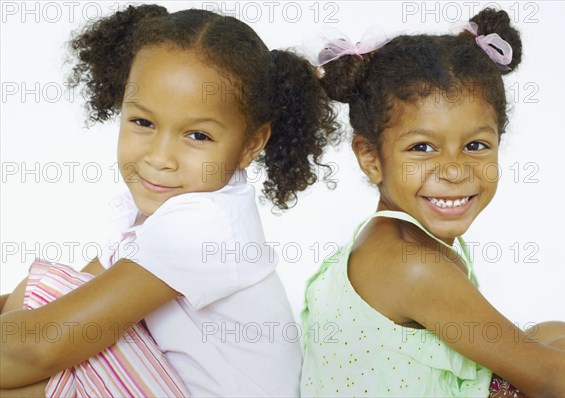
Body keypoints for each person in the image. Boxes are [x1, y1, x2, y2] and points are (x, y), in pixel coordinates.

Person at [0, 4, 338, 397]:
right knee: (41, 293)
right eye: (143, 123)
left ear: (251, 144)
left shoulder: (203, 225)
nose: (160, 158)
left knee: (29, 357)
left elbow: (40, 347)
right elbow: (74, 292)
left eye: (198, 136)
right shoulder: (174, 212)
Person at [300, 8, 565, 397]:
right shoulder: (411, 266)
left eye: (475, 146)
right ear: (371, 157)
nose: (455, 171)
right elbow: (548, 377)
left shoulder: (388, 237)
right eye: (422, 147)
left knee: (560, 334)